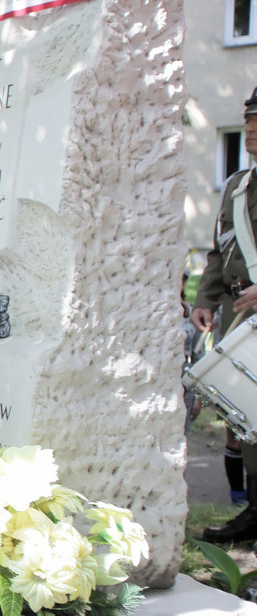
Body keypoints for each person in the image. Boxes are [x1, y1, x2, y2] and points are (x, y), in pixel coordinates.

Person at [192, 84, 257, 544]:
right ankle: (254, 512)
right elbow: (221, 251)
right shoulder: (238, 185)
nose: (250, 127)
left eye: (256, 120)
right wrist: (204, 300)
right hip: (242, 317)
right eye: (248, 118)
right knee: (247, 421)